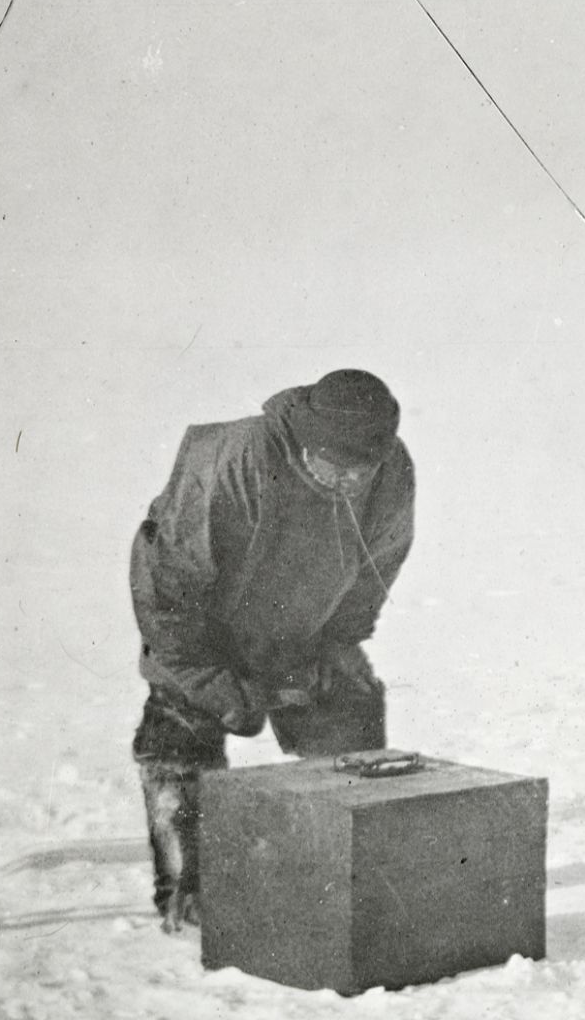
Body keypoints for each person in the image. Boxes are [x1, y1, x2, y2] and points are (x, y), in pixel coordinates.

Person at [129, 369, 416, 930]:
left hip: (300, 628)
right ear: (306, 440)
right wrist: (206, 680)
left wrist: (339, 645)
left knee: (349, 720)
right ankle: (189, 894)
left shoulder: (390, 471)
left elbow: (375, 568)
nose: (346, 482)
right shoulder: (237, 461)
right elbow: (168, 585)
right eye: (332, 465)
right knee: (179, 736)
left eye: (360, 471)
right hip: (201, 630)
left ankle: (338, 875)